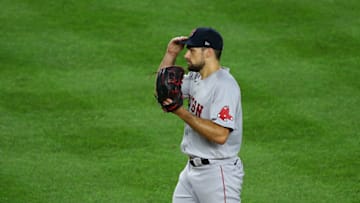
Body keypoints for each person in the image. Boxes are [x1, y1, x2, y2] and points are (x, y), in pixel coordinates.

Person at [156, 27, 244, 203]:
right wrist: (170, 54)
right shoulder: (197, 78)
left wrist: (181, 112)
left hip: (218, 174)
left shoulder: (224, 86)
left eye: (192, 50)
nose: (187, 55)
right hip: (191, 173)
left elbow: (220, 135)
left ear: (208, 52)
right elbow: (163, 91)